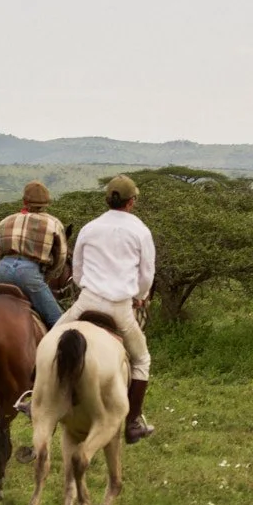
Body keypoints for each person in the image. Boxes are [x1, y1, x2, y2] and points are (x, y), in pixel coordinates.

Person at [58, 174, 157, 443]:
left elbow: (77, 272)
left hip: (87, 301)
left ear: (107, 199)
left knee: (48, 339)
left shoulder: (90, 227)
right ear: (132, 202)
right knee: (141, 360)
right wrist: (139, 295)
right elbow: (147, 275)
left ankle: (34, 398)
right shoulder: (141, 231)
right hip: (120, 308)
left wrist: (88, 286)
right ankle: (133, 421)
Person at [0, 181, 68, 329]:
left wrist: (5, 266)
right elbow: (61, 257)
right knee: (59, 323)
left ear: (24, 201)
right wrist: (47, 275)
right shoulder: (54, 224)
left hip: (2, 270)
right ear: (47, 203)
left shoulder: (6, 221)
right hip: (30, 274)